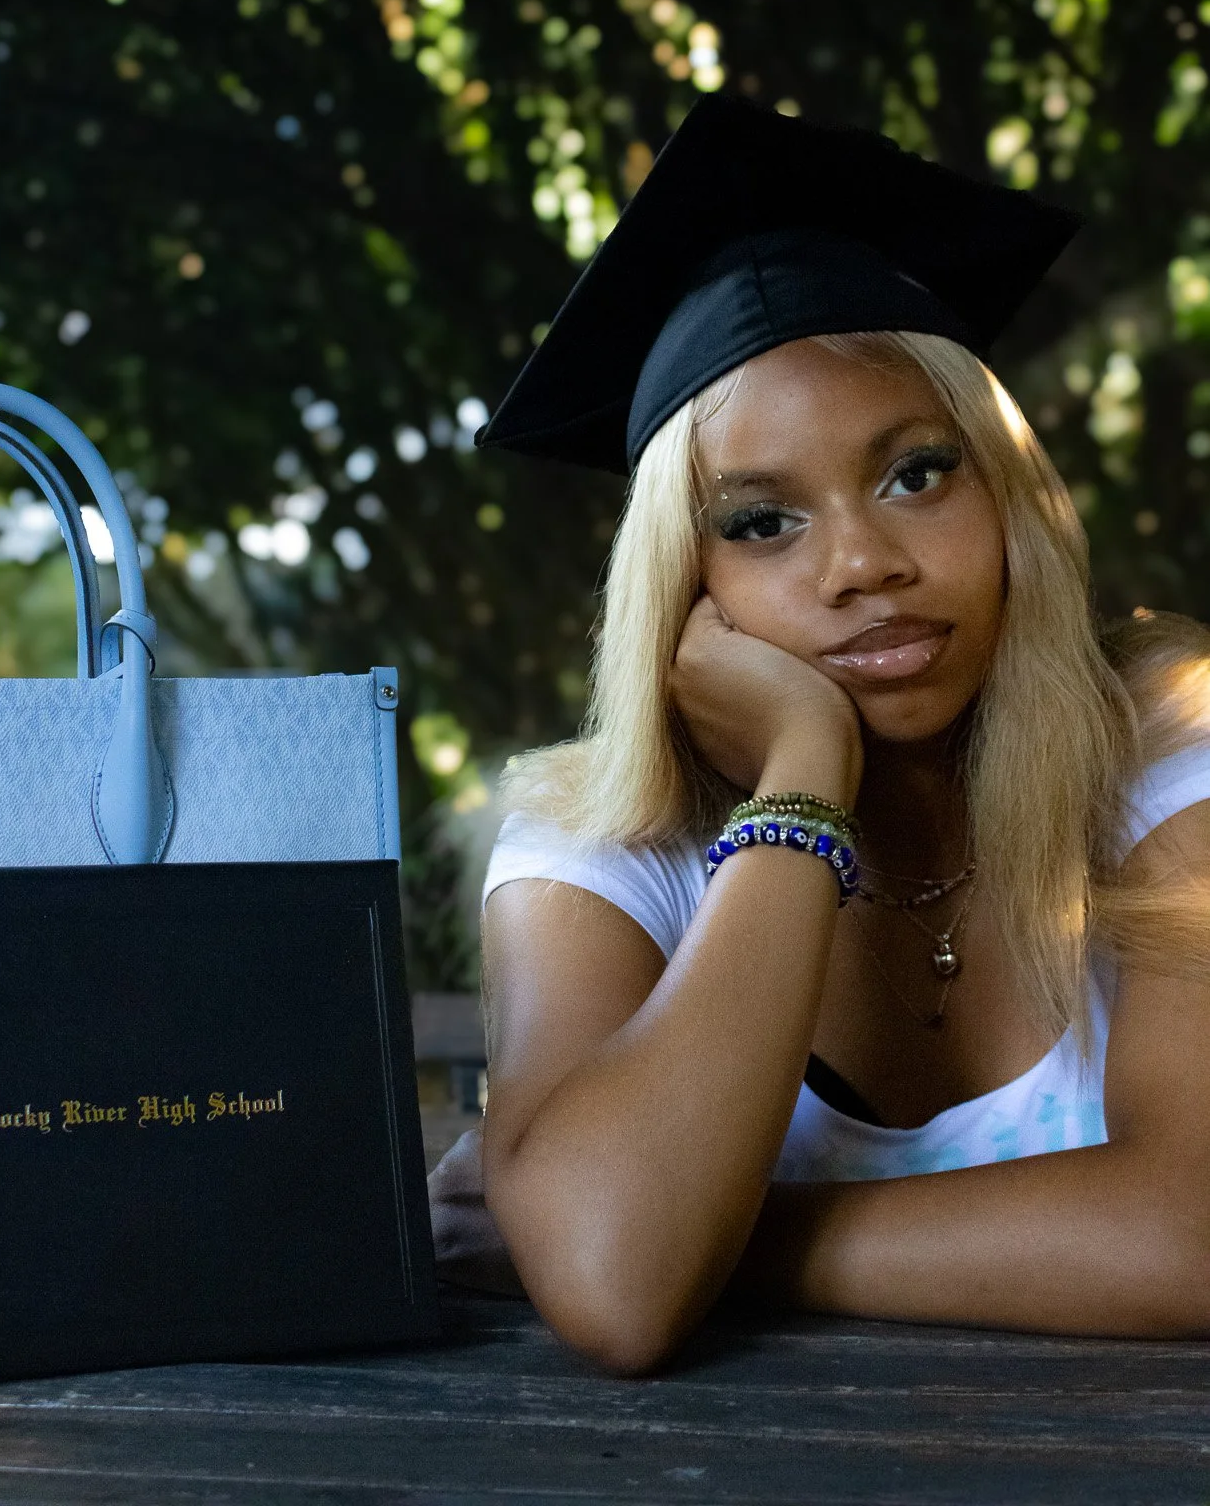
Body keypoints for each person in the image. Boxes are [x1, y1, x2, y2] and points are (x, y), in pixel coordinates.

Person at [428, 94, 1210, 1374]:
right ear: (683, 589)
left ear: (1008, 496)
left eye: (917, 472)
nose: (863, 563)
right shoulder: (596, 843)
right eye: (761, 522)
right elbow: (625, 1290)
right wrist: (802, 773)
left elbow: (1194, 1229)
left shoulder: (1166, 740)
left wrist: (733, 1237)